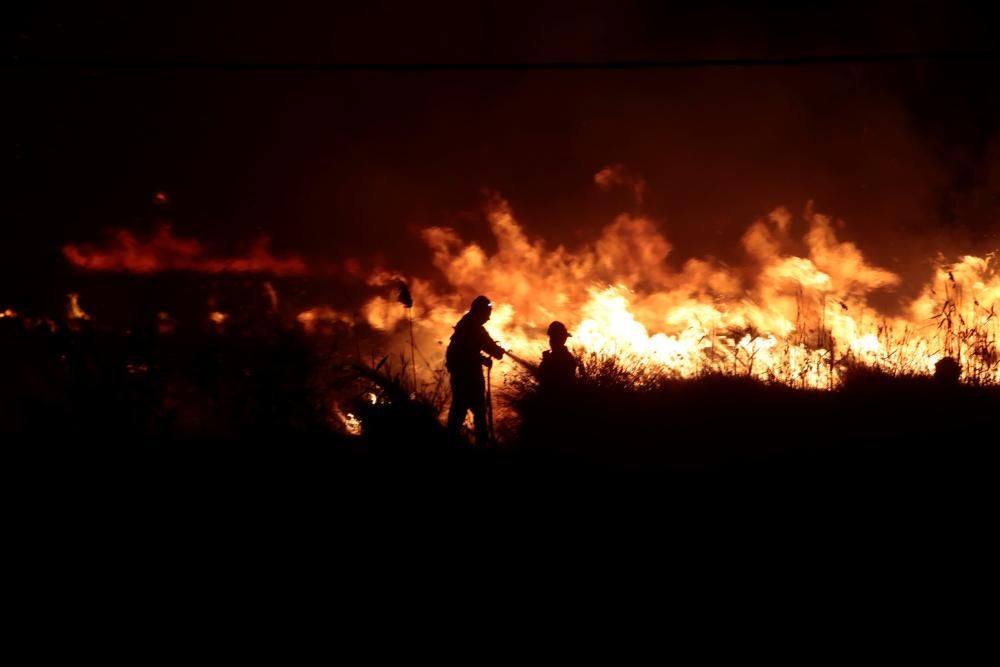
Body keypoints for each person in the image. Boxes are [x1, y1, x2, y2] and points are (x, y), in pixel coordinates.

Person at [446, 295, 504, 444]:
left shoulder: (464, 325)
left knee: (458, 411)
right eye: (487, 315)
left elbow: (467, 350)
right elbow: (489, 349)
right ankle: (482, 448)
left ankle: (449, 441)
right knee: (478, 414)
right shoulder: (474, 328)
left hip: (459, 378)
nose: (488, 319)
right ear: (481, 312)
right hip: (470, 379)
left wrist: (484, 357)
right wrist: (496, 352)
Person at [537, 321, 579, 390]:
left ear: (561, 340)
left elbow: (552, 381)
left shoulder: (565, 358)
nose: (551, 341)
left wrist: (546, 361)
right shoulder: (554, 356)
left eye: (553, 338)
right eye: (551, 338)